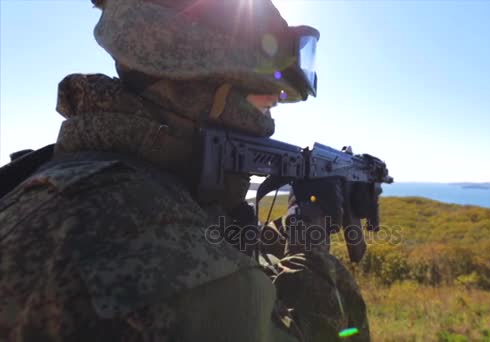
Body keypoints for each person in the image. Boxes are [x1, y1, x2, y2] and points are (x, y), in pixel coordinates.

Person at [0, 0, 370, 341]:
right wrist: (316, 246)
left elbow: (210, 233)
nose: (270, 122)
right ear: (212, 89)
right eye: (266, 106)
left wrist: (298, 220)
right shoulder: (177, 264)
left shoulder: (68, 175)